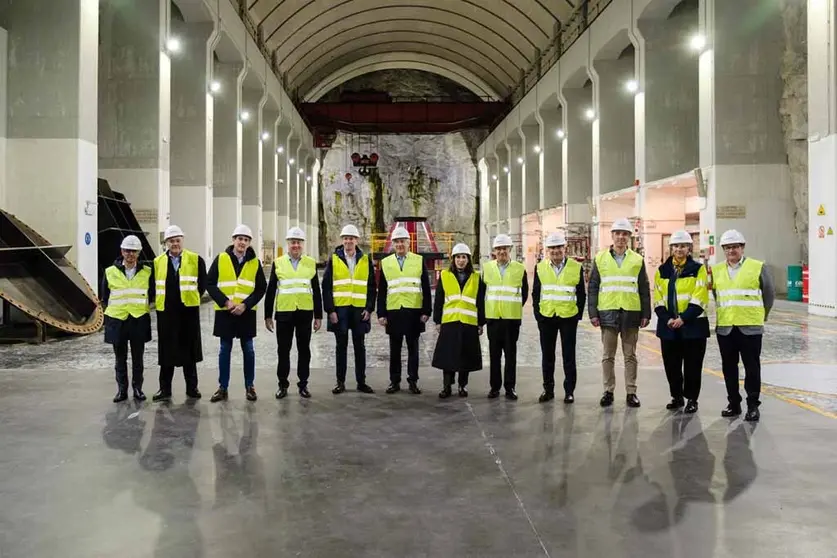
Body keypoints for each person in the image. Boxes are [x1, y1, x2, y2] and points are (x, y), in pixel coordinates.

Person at [588, 218, 651, 408]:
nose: (621, 237)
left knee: (630, 355)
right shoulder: (600, 258)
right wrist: (593, 312)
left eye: (625, 234)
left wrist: (645, 313)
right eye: (618, 233)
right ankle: (608, 391)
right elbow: (593, 286)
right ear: (612, 235)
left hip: (631, 312)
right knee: (608, 355)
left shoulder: (637, 260)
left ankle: (631, 392)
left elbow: (643, 288)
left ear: (629, 237)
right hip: (608, 312)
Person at [712, 229, 774, 422]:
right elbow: (717, 295)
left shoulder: (757, 267)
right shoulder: (716, 270)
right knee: (729, 368)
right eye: (728, 247)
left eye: (735, 246)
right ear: (723, 249)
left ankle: (753, 406)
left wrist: (760, 316)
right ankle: (734, 403)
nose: (732, 250)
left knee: (752, 368)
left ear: (743, 247)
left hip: (750, 328)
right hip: (726, 328)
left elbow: (769, 295)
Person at [206, 224, 266, 402]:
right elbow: (209, 283)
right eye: (240, 239)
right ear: (233, 240)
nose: (242, 242)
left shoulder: (255, 262)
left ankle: (250, 386)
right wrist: (226, 302)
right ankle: (223, 388)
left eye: (246, 240)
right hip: (226, 313)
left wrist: (245, 305)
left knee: (248, 350)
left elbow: (261, 288)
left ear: (249, 243)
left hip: (245, 314)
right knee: (225, 350)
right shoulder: (221, 258)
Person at [653, 230, 710, 414]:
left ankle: (692, 399)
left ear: (689, 248)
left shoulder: (698, 269)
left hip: (693, 326)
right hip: (669, 327)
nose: (679, 249)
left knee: (693, 365)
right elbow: (658, 298)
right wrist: (668, 319)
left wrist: (683, 318)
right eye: (676, 246)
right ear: (671, 248)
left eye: (683, 246)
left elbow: (700, 297)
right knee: (672, 365)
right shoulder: (662, 270)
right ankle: (676, 396)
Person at [265, 226, 322, 399]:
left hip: (304, 313)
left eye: (298, 242)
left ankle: (303, 384)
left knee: (304, 350)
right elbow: (271, 290)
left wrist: (318, 316)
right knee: (283, 350)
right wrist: (268, 315)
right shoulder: (278, 263)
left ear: (302, 244)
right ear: (288, 244)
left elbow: (316, 291)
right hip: (284, 314)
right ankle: (282, 385)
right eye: (292, 242)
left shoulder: (310, 263)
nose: (295, 245)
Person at [152, 225, 207, 402]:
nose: (174, 244)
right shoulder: (158, 261)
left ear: (182, 240)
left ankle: (192, 388)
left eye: (177, 240)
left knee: (189, 350)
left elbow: (202, 283)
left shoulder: (195, 259)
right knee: (166, 351)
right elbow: (154, 284)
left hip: (188, 311)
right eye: (171, 241)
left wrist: (192, 297)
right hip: (166, 313)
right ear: (166, 243)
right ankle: (164, 389)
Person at [321, 224, 376, 394]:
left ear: (356, 240)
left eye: (351, 238)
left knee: (360, 346)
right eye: (346, 238)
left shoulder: (365, 260)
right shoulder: (334, 259)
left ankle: (361, 382)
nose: (348, 241)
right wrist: (330, 311)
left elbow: (371, 287)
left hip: (359, 310)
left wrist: (369, 309)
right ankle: (340, 382)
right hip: (341, 310)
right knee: (341, 346)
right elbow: (327, 287)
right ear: (342, 240)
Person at [377, 226, 432, 394]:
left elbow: (426, 288)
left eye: (403, 241)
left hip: (413, 312)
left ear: (409, 243)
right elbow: (382, 290)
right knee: (394, 349)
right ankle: (394, 381)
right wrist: (381, 313)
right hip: (394, 311)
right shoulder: (386, 263)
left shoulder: (418, 260)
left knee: (413, 349)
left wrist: (426, 311)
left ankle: (413, 380)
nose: (400, 244)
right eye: (397, 242)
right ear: (393, 244)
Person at [532, 231, 585, 403]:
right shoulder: (540, 267)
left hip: (568, 317)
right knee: (547, 356)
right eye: (552, 248)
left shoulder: (576, 267)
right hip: (547, 317)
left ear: (565, 248)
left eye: (558, 247)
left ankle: (569, 391)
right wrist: (538, 316)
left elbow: (581, 294)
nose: (555, 251)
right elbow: (536, 293)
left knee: (569, 356)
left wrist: (577, 315)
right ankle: (548, 390)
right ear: (548, 250)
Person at [101, 235, 154, 402]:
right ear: (121, 252)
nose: (130, 254)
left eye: (133, 251)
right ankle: (122, 390)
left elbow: (151, 294)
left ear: (138, 253)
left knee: (138, 358)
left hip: (138, 319)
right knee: (120, 358)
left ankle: (137, 389)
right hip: (118, 320)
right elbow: (105, 295)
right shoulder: (110, 272)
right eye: (127, 250)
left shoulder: (147, 272)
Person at [431, 243, 486, 398]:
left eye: (464, 257)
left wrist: (481, 323)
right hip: (450, 322)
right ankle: (447, 386)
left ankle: (463, 386)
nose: (461, 260)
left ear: (468, 259)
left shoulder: (476, 278)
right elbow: (439, 300)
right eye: (458, 257)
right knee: (448, 356)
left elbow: (480, 301)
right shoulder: (445, 276)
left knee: (466, 356)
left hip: (468, 322)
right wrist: (437, 321)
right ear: (453, 259)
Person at [482, 233, 528, 400]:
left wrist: (512, 307)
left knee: (510, 355)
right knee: (494, 355)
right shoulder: (486, 269)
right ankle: (494, 388)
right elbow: (482, 294)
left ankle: (510, 388)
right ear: (494, 251)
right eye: (499, 248)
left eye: (505, 248)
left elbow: (524, 294)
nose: (502, 251)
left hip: (511, 320)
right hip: (493, 318)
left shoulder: (519, 269)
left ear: (510, 250)